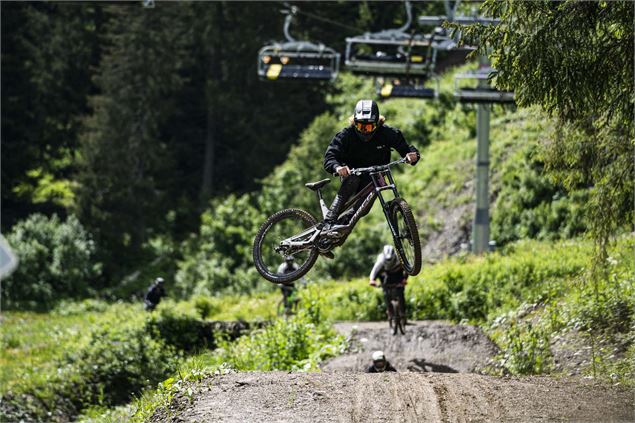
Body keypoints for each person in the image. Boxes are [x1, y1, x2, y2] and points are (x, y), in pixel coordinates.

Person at [321, 99, 420, 234]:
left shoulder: (388, 134)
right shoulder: (345, 135)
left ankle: (338, 232)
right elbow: (330, 157)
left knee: (363, 209)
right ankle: (329, 221)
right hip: (353, 174)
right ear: (354, 123)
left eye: (368, 127)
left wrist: (412, 155)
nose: (365, 132)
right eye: (361, 127)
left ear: (377, 124)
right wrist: (338, 168)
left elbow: (406, 149)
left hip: (374, 177)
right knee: (352, 180)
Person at [369, 245, 407, 320]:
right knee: (386, 293)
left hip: (398, 274)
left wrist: (404, 279)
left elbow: (407, 268)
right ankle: (390, 311)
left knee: (401, 292)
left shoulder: (400, 258)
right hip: (386, 275)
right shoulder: (381, 260)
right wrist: (372, 280)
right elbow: (375, 270)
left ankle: (403, 313)